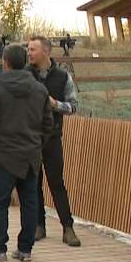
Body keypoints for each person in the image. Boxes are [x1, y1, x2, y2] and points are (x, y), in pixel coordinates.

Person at [0, 44, 55, 262]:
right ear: (24, 61)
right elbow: (47, 124)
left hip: (3, 156)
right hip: (30, 156)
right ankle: (25, 249)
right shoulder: (40, 90)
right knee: (30, 202)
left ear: (5, 63)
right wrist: (36, 145)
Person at [26, 35, 81, 247]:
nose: (29, 53)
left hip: (52, 137)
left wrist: (55, 104)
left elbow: (74, 106)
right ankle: (39, 225)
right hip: (29, 138)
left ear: (46, 52)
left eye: (33, 49)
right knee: (33, 183)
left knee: (56, 183)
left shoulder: (62, 76)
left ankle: (68, 228)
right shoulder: (25, 75)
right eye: (28, 49)